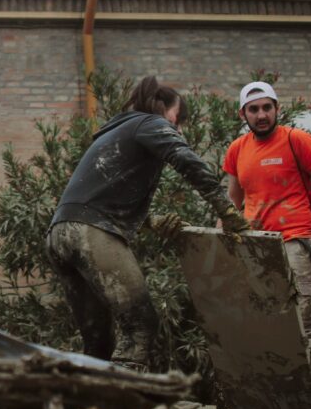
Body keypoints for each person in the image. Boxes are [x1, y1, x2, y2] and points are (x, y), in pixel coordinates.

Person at [46, 76, 249, 372]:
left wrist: (149, 222)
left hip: (59, 234)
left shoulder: (115, 132)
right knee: (141, 325)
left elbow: (98, 199)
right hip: (90, 233)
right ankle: (122, 402)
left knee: (98, 341)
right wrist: (228, 212)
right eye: (177, 119)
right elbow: (188, 162)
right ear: (163, 108)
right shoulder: (150, 123)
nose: (177, 129)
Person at [223, 81, 311, 363]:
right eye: (253, 109)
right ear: (243, 114)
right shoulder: (237, 150)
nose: (261, 114)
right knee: (266, 320)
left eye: (267, 107)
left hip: (297, 238)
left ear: (277, 109)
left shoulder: (296, 140)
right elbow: (232, 202)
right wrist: (220, 242)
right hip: (256, 244)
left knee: (303, 319)